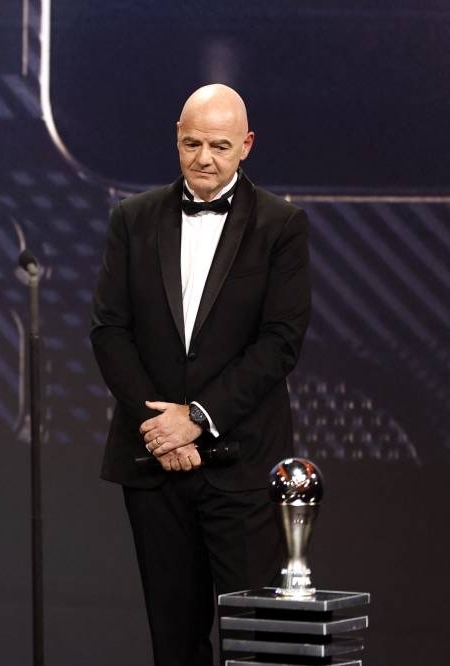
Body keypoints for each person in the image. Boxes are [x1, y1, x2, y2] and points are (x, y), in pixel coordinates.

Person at [90, 83, 311, 665]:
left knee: (256, 639)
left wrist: (198, 420)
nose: (204, 158)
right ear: (176, 141)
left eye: (218, 144)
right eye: (192, 143)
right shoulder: (132, 219)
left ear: (246, 146)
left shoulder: (281, 226)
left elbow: (280, 342)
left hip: (239, 466)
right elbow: (109, 330)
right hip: (154, 466)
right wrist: (160, 428)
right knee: (173, 643)